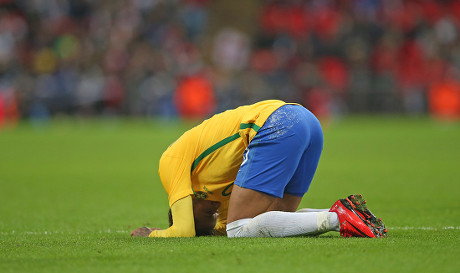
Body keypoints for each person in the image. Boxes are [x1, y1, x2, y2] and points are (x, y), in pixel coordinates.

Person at [131, 100, 387, 238]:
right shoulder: (217, 201)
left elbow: (183, 231)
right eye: (210, 223)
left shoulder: (171, 161)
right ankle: (352, 213)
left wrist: (153, 234)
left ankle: (338, 219)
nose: (212, 215)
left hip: (277, 123)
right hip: (306, 122)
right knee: (279, 218)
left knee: (238, 229)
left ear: (184, 207)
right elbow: (214, 226)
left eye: (200, 218)